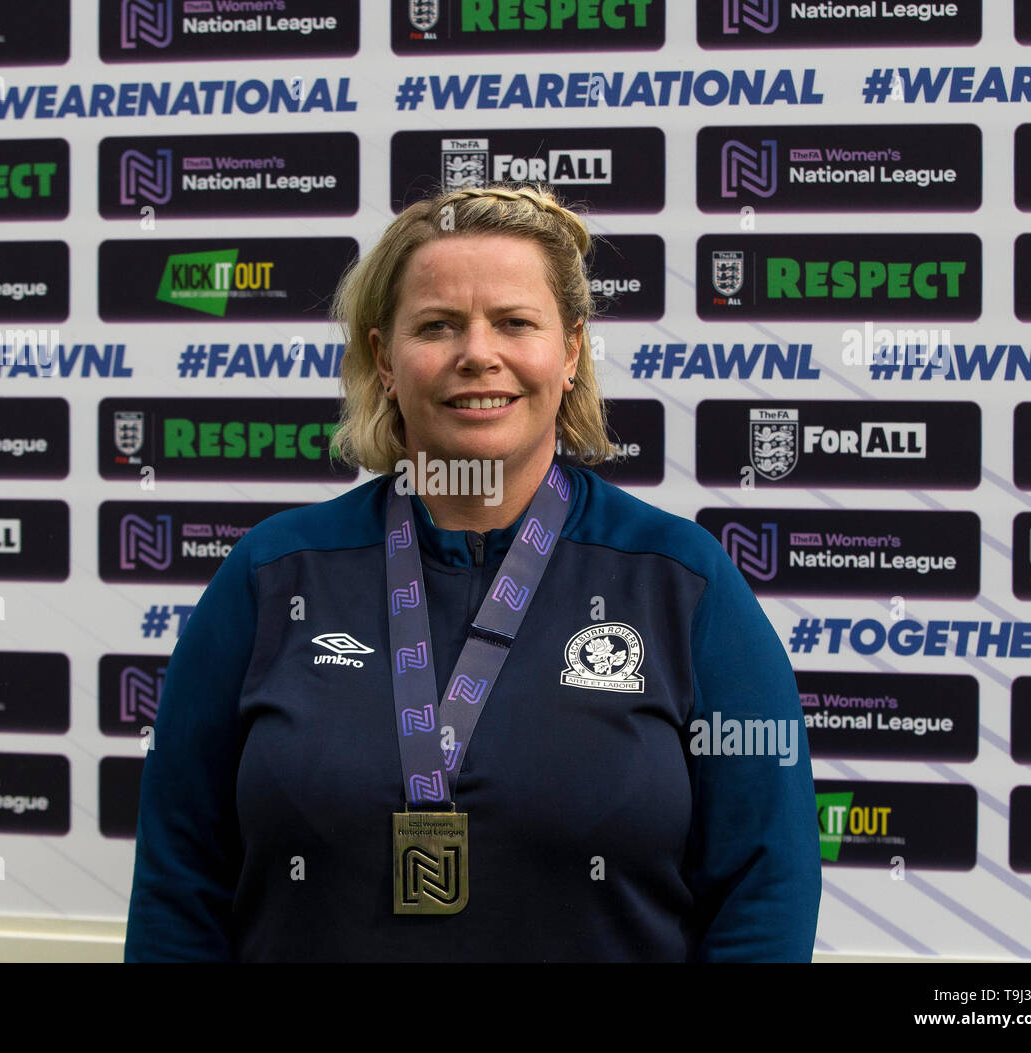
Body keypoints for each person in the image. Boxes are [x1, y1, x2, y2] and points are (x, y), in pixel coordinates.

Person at [124, 183, 821, 962]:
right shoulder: (269, 575)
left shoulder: (681, 581)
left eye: (515, 323)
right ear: (385, 358)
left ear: (571, 351)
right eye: (438, 326)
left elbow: (765, 888)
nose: (477, 353)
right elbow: (178, 886)